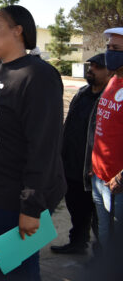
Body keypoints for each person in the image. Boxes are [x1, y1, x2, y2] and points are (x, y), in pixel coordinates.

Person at [0, 5, 66, 280]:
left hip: (13, 200)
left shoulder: (39, 75)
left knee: (17, 272)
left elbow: (44, 147)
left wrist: (31, 207)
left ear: (18, 31)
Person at [50, 54, 111, 255]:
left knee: (98, 216)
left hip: (93, 168)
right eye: (90, 65)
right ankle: (78, 243)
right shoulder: (82, 93)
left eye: (97, 67)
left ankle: (102, 256)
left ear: (109, 71)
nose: (90, 69)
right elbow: (69, 125)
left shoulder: (109, 100)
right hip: (71, 163)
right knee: (76, 208)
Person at [90, 27, 123, 251]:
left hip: (119, 184)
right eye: (108, 47)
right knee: (103, 235)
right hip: (99, 177)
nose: (110, 53)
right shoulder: (112, 81)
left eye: (117, 49)